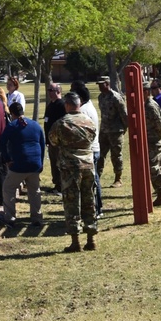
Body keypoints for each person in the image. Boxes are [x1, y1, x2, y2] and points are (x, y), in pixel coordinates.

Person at [49, 89, 98, 252]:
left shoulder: (62, 122)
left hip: (70, 168)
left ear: (68, 105)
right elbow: (92, 137)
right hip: (88, 166)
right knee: (88, 200)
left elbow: (53, 140)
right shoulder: (89, 121)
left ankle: (75, 241)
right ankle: (91, 239)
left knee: (72, 203)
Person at [0, 95, 45, 224]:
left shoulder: (12, 126)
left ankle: (10, 217)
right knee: (34, 190)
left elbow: (2, 143)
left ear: (12, 113)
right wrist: (40, 162)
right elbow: (42, 144)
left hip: (19, 163)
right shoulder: (35, 125)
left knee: (8, 188)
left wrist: (7, 159)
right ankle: (37, 217)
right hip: (35, 163)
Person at [72, 81, 103, 217]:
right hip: (94, 148)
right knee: (94, 180)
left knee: (92, 182)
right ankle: (97, 208)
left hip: (90, 150)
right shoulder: (90, 106)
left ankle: (96, 209)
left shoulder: (83, 110)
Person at [95, 75, 128, 186]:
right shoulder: (100, 97)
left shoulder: (116, 97)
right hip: (104, 130)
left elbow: (124, 114)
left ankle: (118, 178)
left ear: (107, 84)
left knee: (116, 155)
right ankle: (97, 176)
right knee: (100, 155)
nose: (99, 87)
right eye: (98, 85)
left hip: (115, 131)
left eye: (101, 84)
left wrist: (124, 128)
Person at [43, 82, 67, 193]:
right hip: (51, 141)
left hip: (59, 142)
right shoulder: (51, 105)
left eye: (51, 90)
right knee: (53, 163)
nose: (49, 93)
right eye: (48, 90)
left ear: (58, 91)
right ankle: (57, 185)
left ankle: (62, 186)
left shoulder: (62, 105)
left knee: (59, 164)